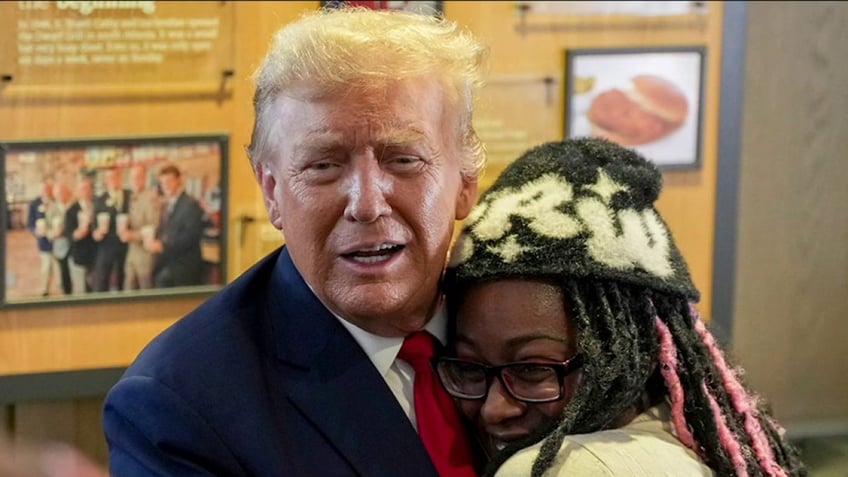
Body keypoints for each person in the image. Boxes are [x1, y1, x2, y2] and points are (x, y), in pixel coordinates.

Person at [102, 6, 488, 476]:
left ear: (466, 181)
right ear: (272, 192)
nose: (366, 204)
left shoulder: (531, 325)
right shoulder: (178, 407)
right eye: (323, 165)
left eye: (403, 159)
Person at [436, 138, 806, 477]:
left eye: (533, 369)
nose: (493, 409)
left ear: (634, 355)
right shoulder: (688, 433)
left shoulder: (565, 468)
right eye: (469, 369)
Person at [147, 163, 205, 288]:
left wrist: (163, 246)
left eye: (169, 181)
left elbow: (191, 237)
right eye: (163, 182)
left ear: (179, 180)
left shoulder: (190, 204)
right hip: (167, 263)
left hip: (183, 267)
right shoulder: (167, 205)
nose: (166, 185)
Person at [119, 164, 161, 290]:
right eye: (132, 177)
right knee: (128, 288)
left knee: (145, 289)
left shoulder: (151, 197)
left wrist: (132, 235)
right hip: (131, 250)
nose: (135, 180)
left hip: (145, 253)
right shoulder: (131, 196)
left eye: (138, 177)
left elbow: (154, 226)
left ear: (145, 178)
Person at [92, 166, 131, 292]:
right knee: (102, 281)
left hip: (126, 246)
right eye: (109, 177)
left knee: (123, 280)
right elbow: (94, 225)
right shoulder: (99, 199)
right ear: (106, 180)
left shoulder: (130, 195)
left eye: (115, 176)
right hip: (106, 246)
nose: (113, 179)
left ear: (120, 177)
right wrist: (96, 233)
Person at [65, 175, 98, 295]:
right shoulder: (71, 211)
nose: (85, 191)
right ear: (78, 191)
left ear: (91, 190)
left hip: (96, 256)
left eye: (87, 188)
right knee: (81, 291)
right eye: (82, 189)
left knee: (96, 289)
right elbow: (69, 235)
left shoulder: (98, 206)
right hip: (79, 257)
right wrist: (78, 234)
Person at [27, 176, 56, 296]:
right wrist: (35, 231)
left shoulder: (56, 199)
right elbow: (30, 223)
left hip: (58, 240)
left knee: (60, 267)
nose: (45, 190)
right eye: (43, 189)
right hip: (44, 241)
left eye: (47, 188)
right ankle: (45, 289)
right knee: (46, 266)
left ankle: (64, 288)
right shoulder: (34, 203)